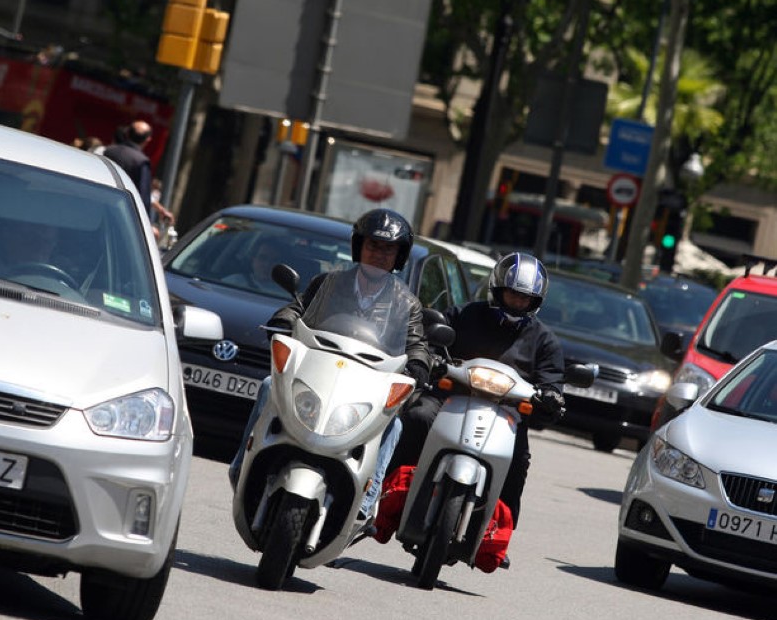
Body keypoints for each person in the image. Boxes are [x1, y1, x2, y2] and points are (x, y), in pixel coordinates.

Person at [228, 208, 432, 521]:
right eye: (373, 246)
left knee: (397, 422)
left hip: (367, 383)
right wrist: (282, 322)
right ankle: (243, 465)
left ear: (399, 256)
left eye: (388, 249)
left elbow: (416, 343)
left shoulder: (407, 303)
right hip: (320, 370)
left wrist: (419, 363)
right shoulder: (329, 283)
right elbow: (296, 308)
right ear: (359, 247)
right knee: (270, 386)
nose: (379, 254)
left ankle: (366, 501)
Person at [387, 251, 566, 539]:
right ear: (497, 289)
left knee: (519, 459)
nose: (518, 302)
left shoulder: (544, 340)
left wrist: (552, 396)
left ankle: (500, 530)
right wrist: (431, 358)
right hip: (449, 398)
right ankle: (386, 495)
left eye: (525, 298)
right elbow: (431, 337)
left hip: (506, 414)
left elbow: (552, 380)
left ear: (536, 301)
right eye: (512, 294)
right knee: (418, 417)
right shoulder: (465, 314)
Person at [103, 120, 173, 241]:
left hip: (100, 209)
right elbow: (143, 196)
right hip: (124, 218)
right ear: (147, 140)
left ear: (128, 134)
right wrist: (147, 225)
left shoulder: (109, 151)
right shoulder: (141, 161)